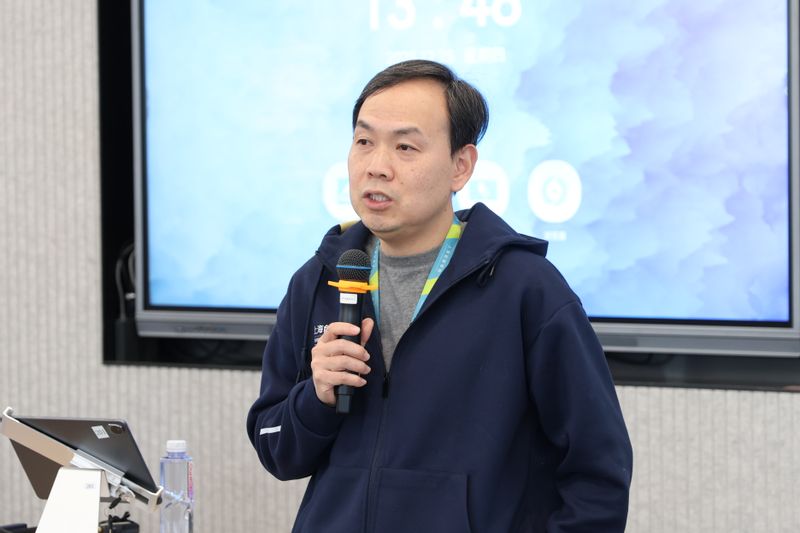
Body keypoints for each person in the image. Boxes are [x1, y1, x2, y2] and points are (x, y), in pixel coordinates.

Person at [247, 59, 632, 532]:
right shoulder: (319, 280)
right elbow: (275, 448)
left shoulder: (525, 289)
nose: (377, 167)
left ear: (460, 166)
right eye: (364, 142)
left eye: (405, 147)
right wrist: (317, 396)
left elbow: (598, 472)